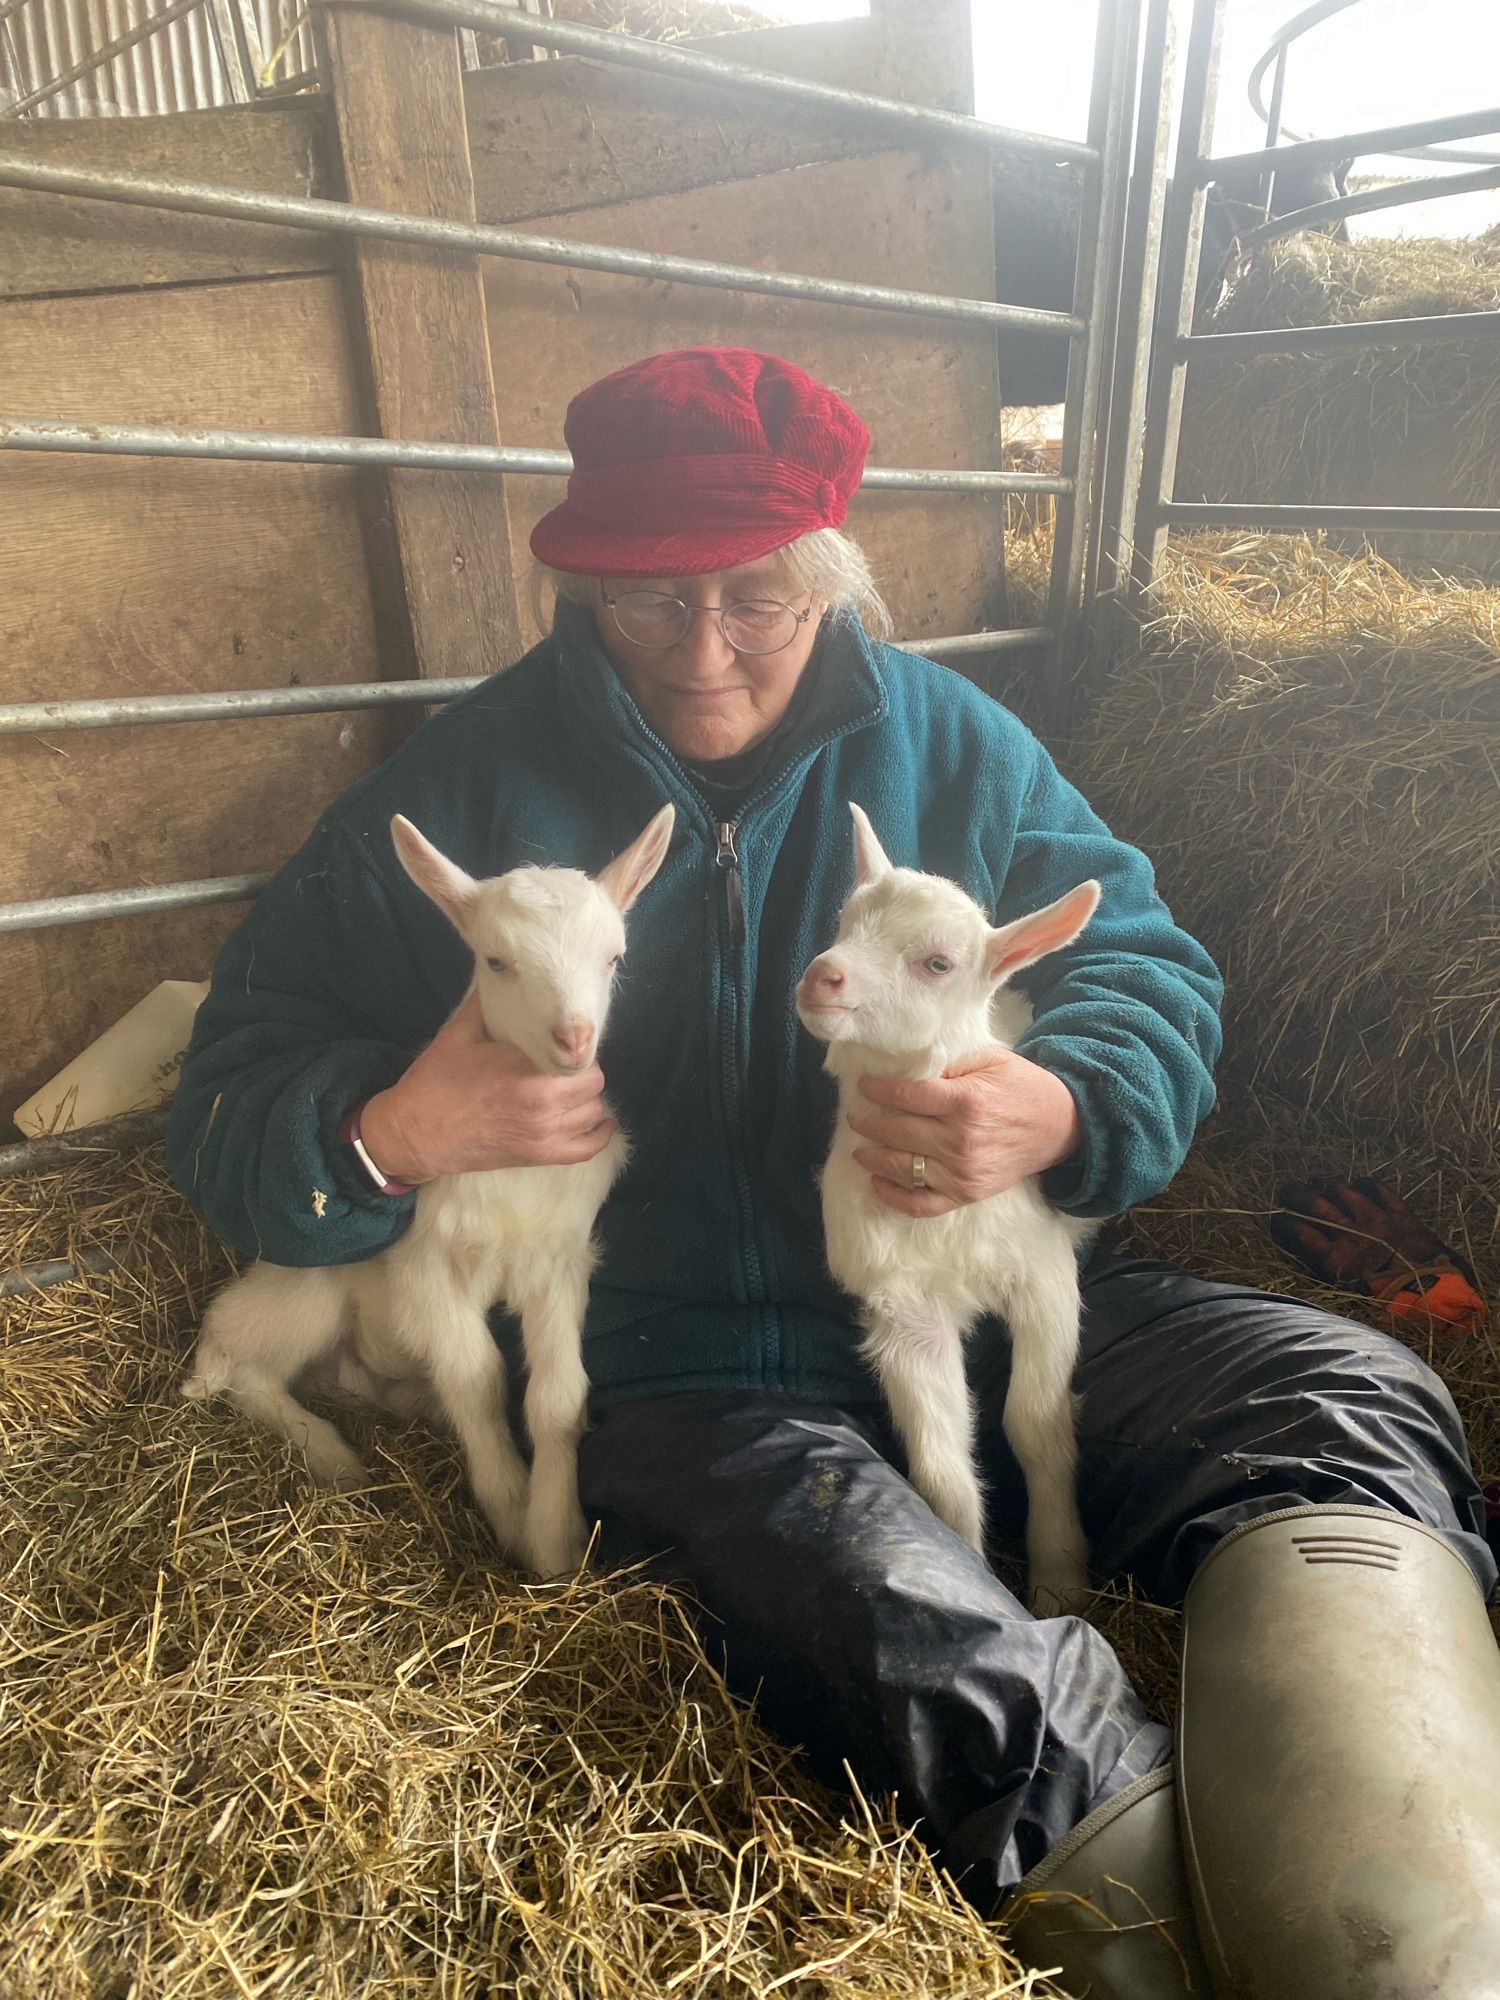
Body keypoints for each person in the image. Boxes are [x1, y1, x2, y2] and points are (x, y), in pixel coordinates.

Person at [167, 347, 1500, 1999]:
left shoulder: (951, 742)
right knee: (914, 1635)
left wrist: (1064, 1105)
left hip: (976, 1279)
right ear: (580, 580)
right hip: (695, 1369)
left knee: (1334, 1384)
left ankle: (1417, 1929)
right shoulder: (460, 794)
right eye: (651, 603)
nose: (707, 651)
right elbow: (234, 1077)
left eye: (761, 599)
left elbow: (1148, 964)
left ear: (831, 577)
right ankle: (1198, 1924)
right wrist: (388, 1132)